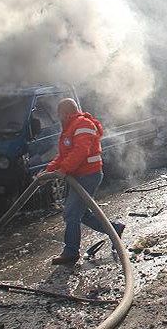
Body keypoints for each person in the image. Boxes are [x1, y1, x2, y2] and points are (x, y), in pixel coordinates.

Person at [38, 98, 124, 265]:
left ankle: (70, 252)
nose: (57, 116)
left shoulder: (82, 124)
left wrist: (64, 169)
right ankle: (115, 228)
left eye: (59, 113)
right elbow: (62, 156)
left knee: (71, 213)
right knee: (82, 214)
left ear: (65, 112)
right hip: (79, 176)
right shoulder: (70, 127)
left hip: (88, 176)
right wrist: (47, 173)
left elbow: (81, 151)